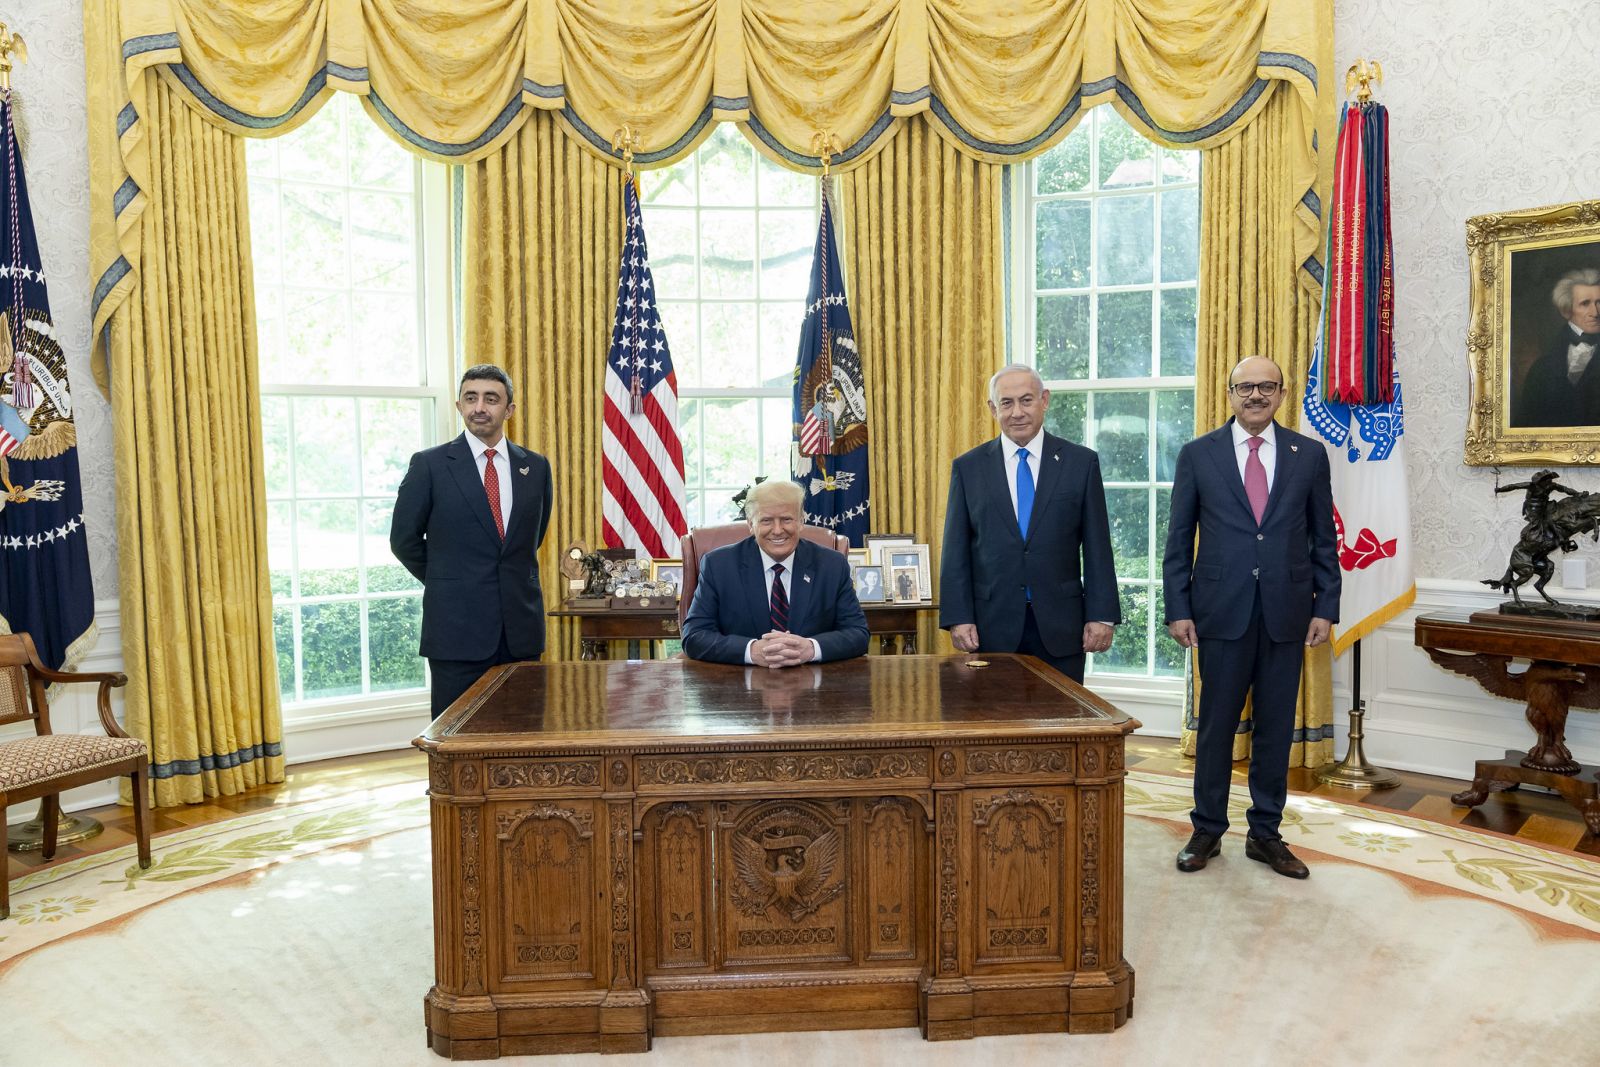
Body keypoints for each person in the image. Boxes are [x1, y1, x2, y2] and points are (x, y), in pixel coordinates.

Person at [1163, 355, 1339, 880]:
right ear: (1230, 393)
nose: (1255, 395)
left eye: (1266, 387)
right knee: (1217, 727)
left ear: (1282, 394)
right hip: (1219, 613)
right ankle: (1207, 829)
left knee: (1275, 727)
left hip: (1288, 612)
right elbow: (1178, 540)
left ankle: (1266, 833)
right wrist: (1178, 608)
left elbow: (1323, 540)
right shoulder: (1199, 455)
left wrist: (1325, 607)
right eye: (1245, 387)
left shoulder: (1308, 455)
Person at [939, 364, 1119, 684]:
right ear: (993, 408)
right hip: (991, 628)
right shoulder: (968, 468)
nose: (1017, 412)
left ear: (1044, 400)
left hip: (1062, 627)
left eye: (1026, 400)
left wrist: (1101, 615)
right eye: (1006, 403)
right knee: (997, 727)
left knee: (1063, 726)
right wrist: (959, 617)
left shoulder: (1080, 463)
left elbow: (1097, 547)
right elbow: (956, 551)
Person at [390, 365, 553, 717]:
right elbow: (403, 541)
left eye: (491, 399)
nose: (480, 407)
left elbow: (529, 540)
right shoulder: (429, 465)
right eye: (471, 398)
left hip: (520, 634)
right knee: (455, 744)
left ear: (509, 409)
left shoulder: (536, 468)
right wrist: (448, 578)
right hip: (456, 633)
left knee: (522, 738)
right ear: (459, 405)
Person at [682, 479, 868, 666]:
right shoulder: (719, 566)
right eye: (766, 521)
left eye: (786, 519)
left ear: (801, 521)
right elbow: (694, 636)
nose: (778, 530)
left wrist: (811, 649)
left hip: (814, 684)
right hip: (738, 685)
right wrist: (751, 650)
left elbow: (858, 633)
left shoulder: (832, 565)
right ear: (750, 524)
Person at [1512, 267, 1600, 427]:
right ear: (1566, 311)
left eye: (1599, 302)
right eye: (1585, 304)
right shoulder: (1541, 369)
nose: (1595, 312)